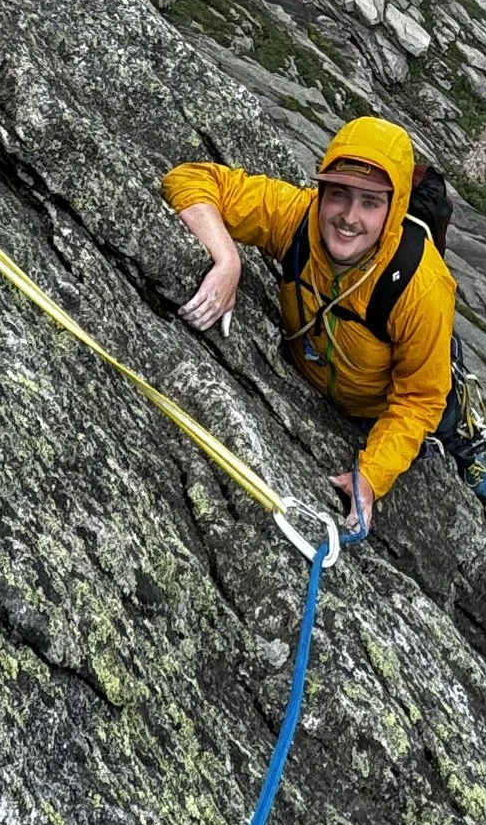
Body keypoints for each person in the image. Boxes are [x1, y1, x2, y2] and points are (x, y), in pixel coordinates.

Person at [163, 116, 453, 539]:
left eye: (371, 202)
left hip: (378, 411)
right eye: (338, 194)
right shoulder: (297, 218)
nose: (349, 217)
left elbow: (420, 399)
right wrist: (228, 259)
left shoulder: (421, 287)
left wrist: (371, 475)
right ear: (321, 193)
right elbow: (189, 180)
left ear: (394, 209)